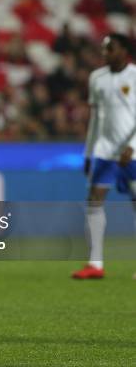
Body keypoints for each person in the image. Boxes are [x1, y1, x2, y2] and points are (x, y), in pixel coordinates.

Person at [74, 33, 136, 279]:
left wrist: (132, 144)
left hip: (132, 151)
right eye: (103, 48)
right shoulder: (96, 78)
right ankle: (95, 263)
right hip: (105, 150)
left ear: (124, 51)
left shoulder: (134, 75)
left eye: (110, 48)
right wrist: (88, 152)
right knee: (94, 199)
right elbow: (95, 118)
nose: (105, 53)